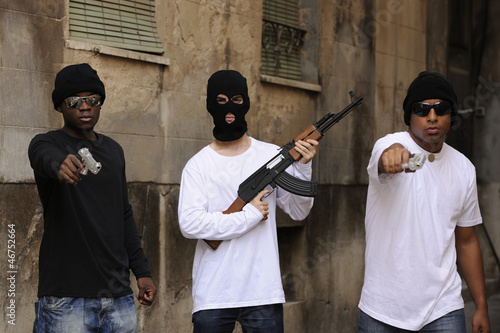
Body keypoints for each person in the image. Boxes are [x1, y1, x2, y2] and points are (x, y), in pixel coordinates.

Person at [178, 69, 319, 332]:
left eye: (236, 100)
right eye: (220, 101)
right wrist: (249, 215)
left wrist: (303, 168)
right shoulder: (198, 165)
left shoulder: (272, 155)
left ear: (247, 103)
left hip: (262, 292)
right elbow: (190, 224)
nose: (229, 109)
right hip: (214, 294)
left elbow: (299, 212)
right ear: (210, 104)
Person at [358, 71, 491, 333]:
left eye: (440, 108)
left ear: (451, 115)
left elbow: (466, 240)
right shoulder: (389, 145)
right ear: (410, 115)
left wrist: (482, 306)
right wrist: (392, 157)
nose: (432, 116)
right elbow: (384, 160)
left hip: (443, 307)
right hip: (383, 307)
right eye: (422, 109)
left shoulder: (464, 168)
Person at [28, 63, 157, 333]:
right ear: (60, 106)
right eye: (74, 101)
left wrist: (142, 272)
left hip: (119, 299)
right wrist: (59, 165)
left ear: (100, 103)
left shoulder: (114, 151)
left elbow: (123, 214)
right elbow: (41, 155)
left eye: (92, 100)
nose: (84, 107)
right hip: (67, 300)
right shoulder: (47, 144)